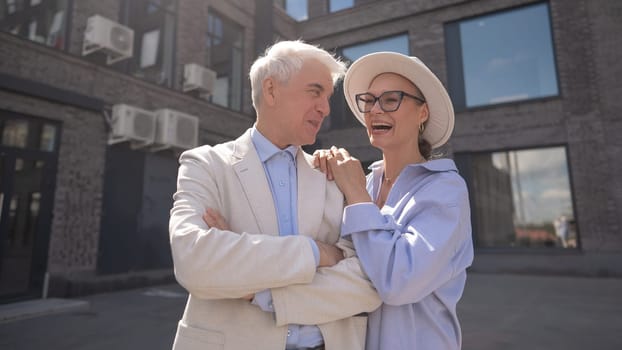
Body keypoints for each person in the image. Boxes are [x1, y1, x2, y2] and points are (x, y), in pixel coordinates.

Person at [169, 40, 380, 350]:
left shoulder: (333, 175)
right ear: (271, 90)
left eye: (327, 96)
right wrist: (318, 254)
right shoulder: (205, 164)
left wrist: (256, 287)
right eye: (314, 91)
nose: (325, 108)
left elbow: (370, 280)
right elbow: (194, 261)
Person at [314, 52, 474, 350]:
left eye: (390, 100)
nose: (375, 110)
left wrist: (355, 194)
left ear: (422, 112)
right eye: (369, 101)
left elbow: (400, 282)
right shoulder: (366, 182)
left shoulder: (446, 190)